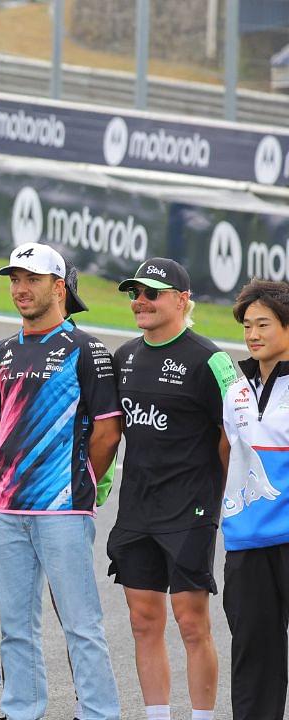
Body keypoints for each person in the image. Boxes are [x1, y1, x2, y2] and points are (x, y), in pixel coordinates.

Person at [0, 243, 121, 720]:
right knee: (15, 625)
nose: (20, 290)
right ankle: (22, 710)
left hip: (62, 508)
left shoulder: (86, 349)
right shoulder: (2, 350)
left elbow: (107, 431)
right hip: (6, 509)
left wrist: (81, 478)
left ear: (58, 287)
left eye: (32, 280)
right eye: (15, 280)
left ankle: (100, 713)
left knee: (82, 624)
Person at [108, 258, 235, 720]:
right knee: (143, 621)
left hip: (190, 511)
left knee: (191, 623)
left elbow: (233, 435)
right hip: (137, 510)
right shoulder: (124, 357)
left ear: (182, 300)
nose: (140, 301)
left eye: (152, 293)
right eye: (134, 293)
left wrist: (227, 499)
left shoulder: (212, 359)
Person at [217, 280, 289, 719]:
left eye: (263, 324)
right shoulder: (236, 388)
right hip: (246, 543)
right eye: (247, 325)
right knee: (254, 658)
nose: (253, 334)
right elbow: (230, 454)